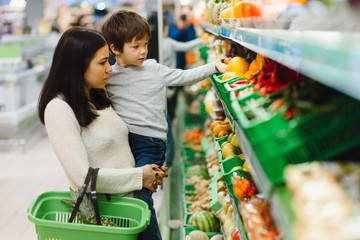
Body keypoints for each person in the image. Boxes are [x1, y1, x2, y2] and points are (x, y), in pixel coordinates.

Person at [101, 10, 227, 240]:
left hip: (151, 144)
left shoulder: (153, 69)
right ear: (115, 49)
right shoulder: (110, 77)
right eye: (135, 46)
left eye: (145, 44)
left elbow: (184, 76)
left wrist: (213, 67)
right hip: (124, 143)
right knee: (129, 199)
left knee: (141, 198)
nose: (142, 51)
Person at [38, 27, 168, 201]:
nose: (109, 68)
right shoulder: (59, 109)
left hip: (133, 206)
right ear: (78, 66)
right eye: (102, 62)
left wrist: (151, 171)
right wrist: (139, 176)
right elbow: (82, 177)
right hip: (107, 217)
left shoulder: (99, 95)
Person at [162, 16, 203, 167]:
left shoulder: (155, 46)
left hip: (162, 86)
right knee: (169, 116)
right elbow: (185, 47)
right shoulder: (169, 42)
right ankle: (169, 161)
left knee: (165, 118)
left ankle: (167, 158)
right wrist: (202, 40)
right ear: (164, 30)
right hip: (171, 83)